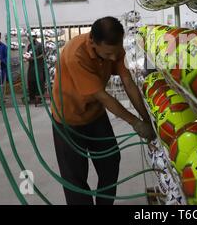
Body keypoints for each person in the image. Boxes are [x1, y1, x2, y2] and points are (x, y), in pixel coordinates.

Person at [51, 16, 155, 205]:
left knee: (110, 161)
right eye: (108, 55)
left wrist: (147, 118)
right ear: (92, 41)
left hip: (95, 115)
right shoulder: (76, 55)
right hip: (68, 119)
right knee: (75, 176)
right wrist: (136, 123)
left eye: (117, 52)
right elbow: (104, 97)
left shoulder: (113, 48)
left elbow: (128, 83)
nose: (114, 58)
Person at [27, 35, 45, 104]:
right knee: (31, 81)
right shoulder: (29, 46)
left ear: (34, 37)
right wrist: (27, 57)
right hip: (31, 66)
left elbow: (43, 54)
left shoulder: (39, 45)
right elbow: (29, 54)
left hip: (38, 66)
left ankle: (39, 98)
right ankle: (32, 98)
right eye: (28, 37)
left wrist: (35, 58)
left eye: (30, 37)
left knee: (39, 82)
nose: (29, 38)